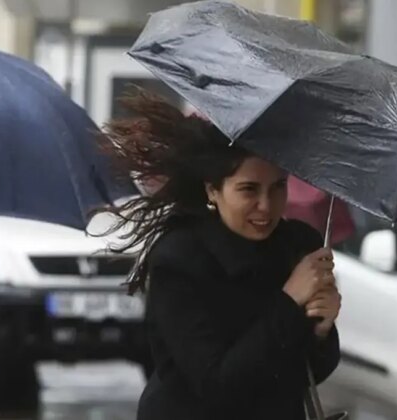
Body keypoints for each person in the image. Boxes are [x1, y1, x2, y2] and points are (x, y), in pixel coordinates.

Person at [96, 89, 341, 420]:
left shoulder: (298, 245)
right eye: (249, 189)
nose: (266, 206)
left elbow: (304, 373)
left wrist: (322, 331)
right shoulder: (179, 259)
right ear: (213, 189)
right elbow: (217, 385)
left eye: (278, 187)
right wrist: (289, 300)